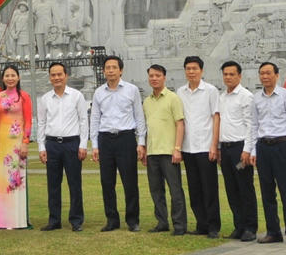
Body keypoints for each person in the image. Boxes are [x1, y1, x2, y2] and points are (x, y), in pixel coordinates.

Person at [247, 62, 286, 246]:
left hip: (282, 146)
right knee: (267, 192)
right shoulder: (256, 98)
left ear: (277, 75)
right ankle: (273, 232)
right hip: (263, 147)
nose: (265, 76)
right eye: (262, 73)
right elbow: (254, 126)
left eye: (268, 73)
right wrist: (253, 150)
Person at [90, 55, 146, 232]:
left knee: (130, 181)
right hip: (105, 138)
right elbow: (95, 119)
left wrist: (141, 141)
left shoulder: (132, 90)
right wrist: (95, 145)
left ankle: (132, 220)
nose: (111, 70)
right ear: (104, 71)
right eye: (108, 67)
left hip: (126, 138)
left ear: (121, 70)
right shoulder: (99, 92)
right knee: (107, 182)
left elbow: (139, 116)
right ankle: (112, 219)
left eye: (114, 67)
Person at [36, 61, 88, 232]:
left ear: (66, 76)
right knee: (53, 184)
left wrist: (82, 145)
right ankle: (54, 220)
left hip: (71, 143)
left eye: (60, 74)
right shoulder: (44, 99)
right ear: (50, 77)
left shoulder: (76, 96)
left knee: (74, 183)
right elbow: (41, 124)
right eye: (53, 75)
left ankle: (76, 220)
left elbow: (83, 121)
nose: (56, 77)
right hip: (52, 144)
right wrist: (41, 148)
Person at [177, 56, 220, 238]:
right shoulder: (180, 92)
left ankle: (213, 226)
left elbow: (216, 117)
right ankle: (201, 224)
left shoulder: (210, 91)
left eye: (194, 68)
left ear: (202, 71)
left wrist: (214, 145)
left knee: (209, 189)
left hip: (205, 146)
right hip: (188, 147)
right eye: (188, 68)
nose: (191, 72)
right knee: (194, 189)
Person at [142, 64, 186, 235]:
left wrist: (177, 148)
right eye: (151, 75)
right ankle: (162, 222)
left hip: (169, 152)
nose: (154, 78)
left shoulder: (173, 98)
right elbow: (147, 127)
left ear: (164, 77)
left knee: (175, 190)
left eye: (157, 75)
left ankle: (179, 225)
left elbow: (180, 124)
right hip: (153, 152)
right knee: (156, 190)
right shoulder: (147, 101)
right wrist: (145, 149)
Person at [218, 61, 257, 241]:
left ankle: (250, 227)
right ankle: (238, 226)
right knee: (231, 189)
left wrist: (248, 149)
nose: (228, 77)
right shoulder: (222, 97)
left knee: (245, 188)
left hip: (240, 149)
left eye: (232, 74)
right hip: (225, 149)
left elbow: (251, 125)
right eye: (225, 74)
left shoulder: (246, 96)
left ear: (239, 76)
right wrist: (218, 147)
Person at [0, 65, 32, 229]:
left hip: (17, 145)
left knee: (16, 180)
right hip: (2, 143)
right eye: (7, 75)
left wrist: (25, 142)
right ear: (2, 78)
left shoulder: (24, 97)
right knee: (2, 181)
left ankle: (18, 220)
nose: (10, 78)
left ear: (18, 77)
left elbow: (28, 121)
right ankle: (3, 220)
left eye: (13, 75)